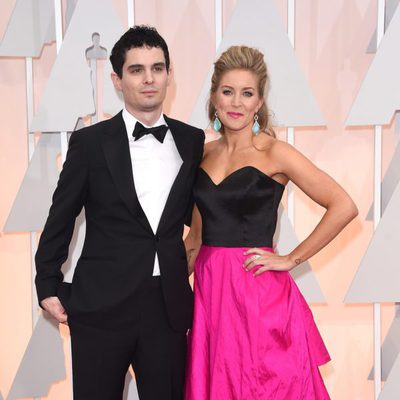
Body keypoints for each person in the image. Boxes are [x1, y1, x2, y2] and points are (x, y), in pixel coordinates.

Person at [35, 25, 204, 400]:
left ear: (169, 75)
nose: (149, 79)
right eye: (136, 69)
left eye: (157, 68)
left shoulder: (192, 141)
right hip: (101, 307)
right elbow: (61, 215)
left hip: (167, 309)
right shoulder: (91, 143)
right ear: (117, 78)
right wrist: (46, 282)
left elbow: (203, 213)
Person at [184, 46, 358, 399]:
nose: (237, 102)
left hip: (257, 291)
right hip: (211, 292)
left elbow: (343, 205)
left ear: (259, 101)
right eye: (228, 91)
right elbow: (196, 238)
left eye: (247, 93)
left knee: (267, 385)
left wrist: (291, 258)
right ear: (214, 97)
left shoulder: (274, 152)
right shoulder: (201, 154)